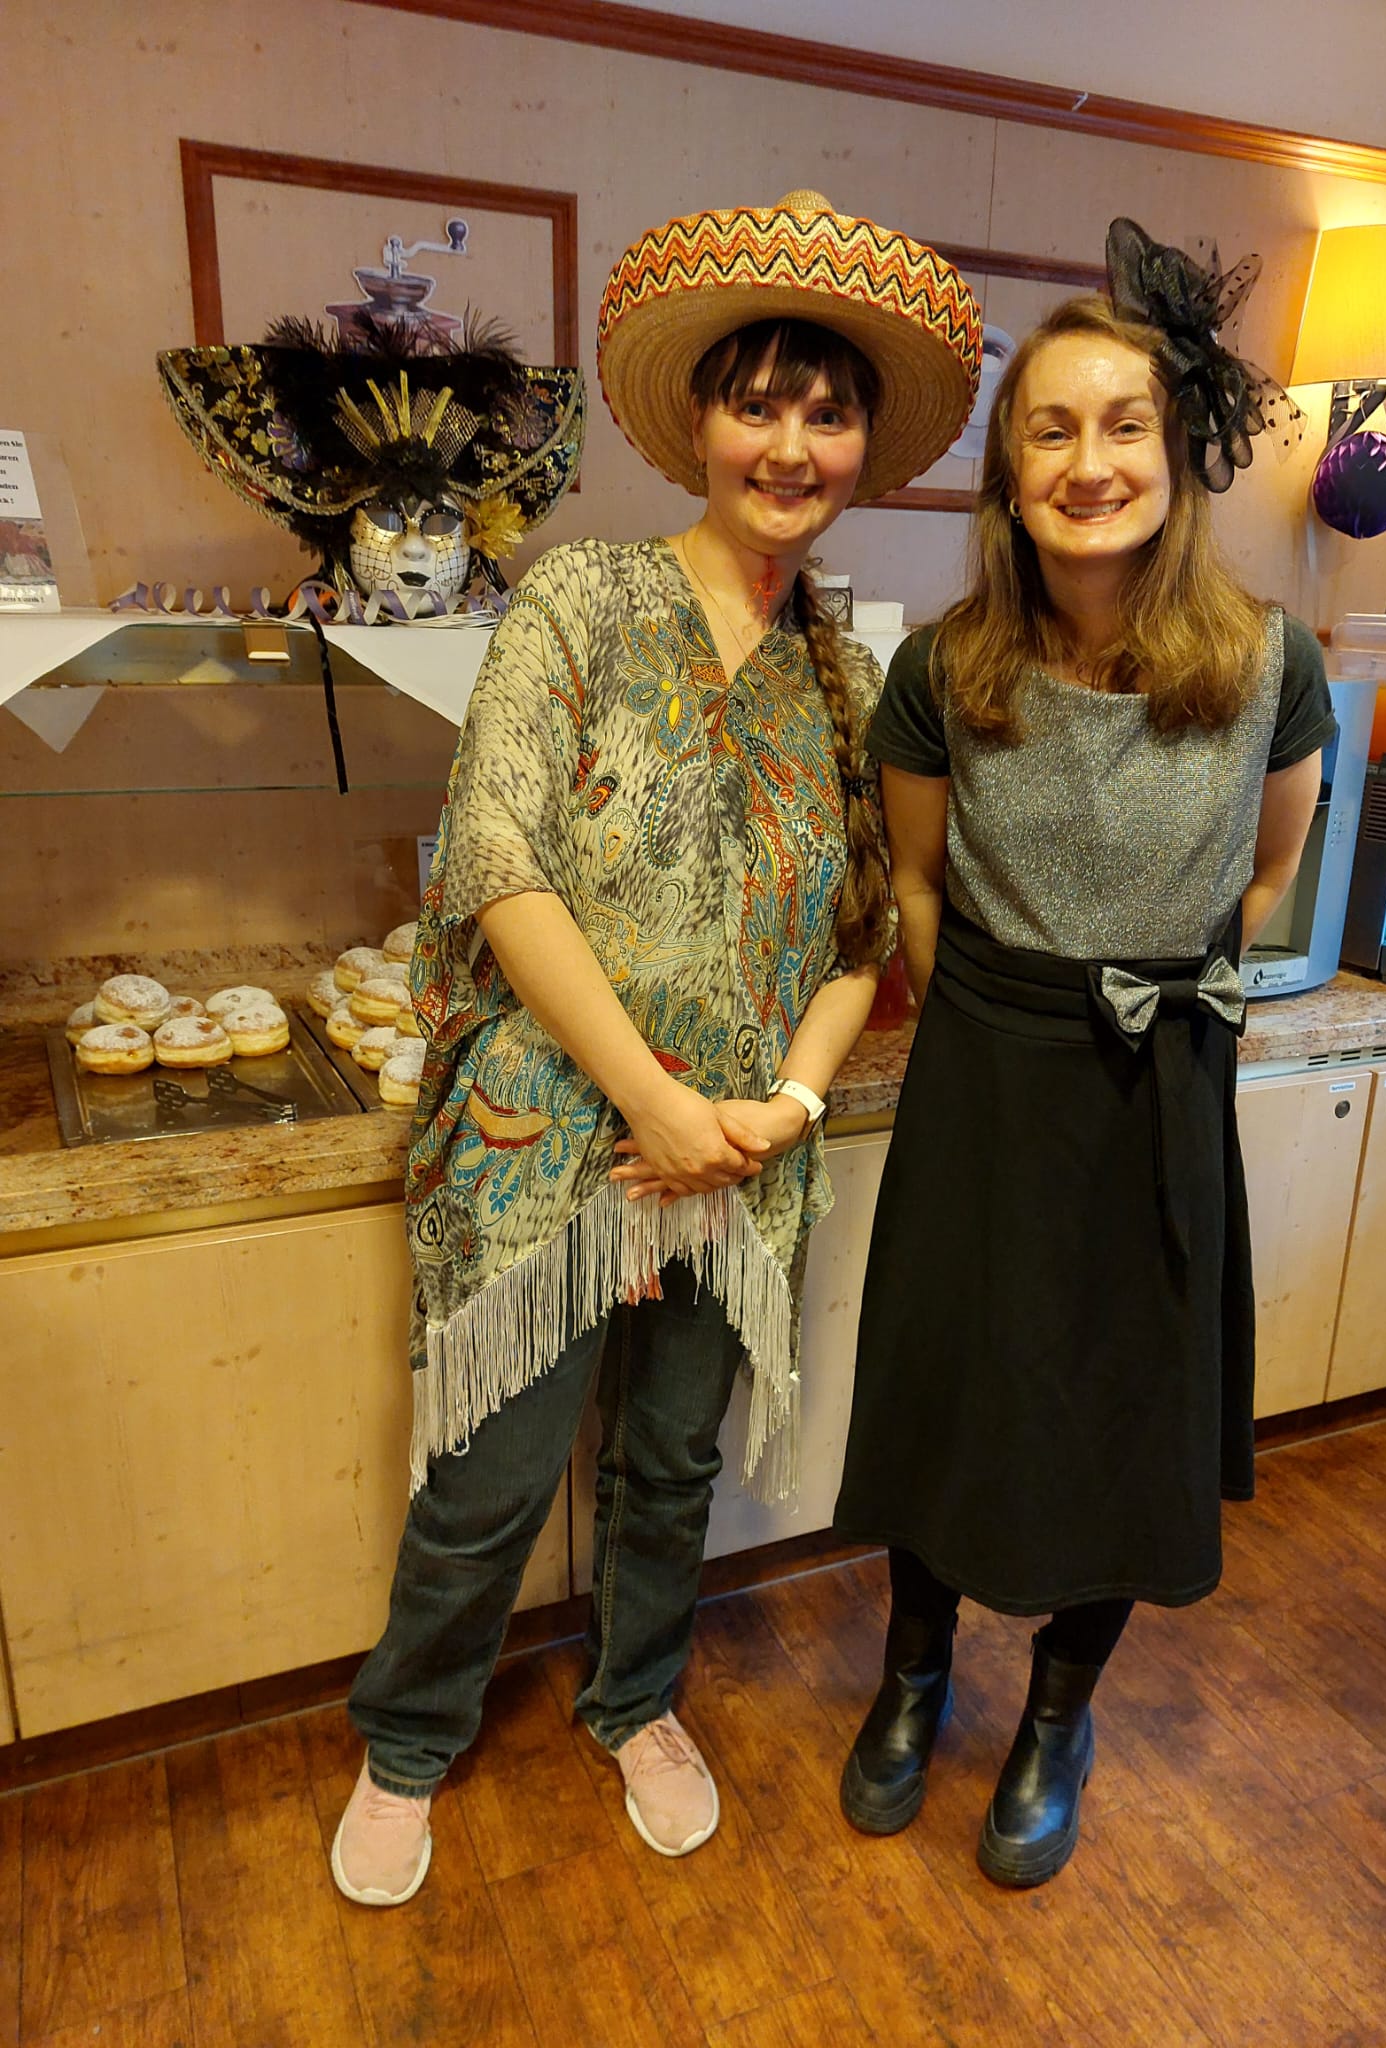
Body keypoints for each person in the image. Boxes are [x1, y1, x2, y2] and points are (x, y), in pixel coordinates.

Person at [330, 189, 981, 1906]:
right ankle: (409, 1737)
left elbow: (865, 935)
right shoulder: (581, 599)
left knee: (673, 1458)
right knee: (492, 1475)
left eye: (826, 414)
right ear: (699, 419)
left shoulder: (846, 678)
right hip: (553, 1127)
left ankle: (635, 1701)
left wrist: (778, 1107)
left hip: (738, 1154)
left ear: (862, 448)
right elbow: (498, 860)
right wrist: (655, 1104)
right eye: (758, 404)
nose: (791, 445)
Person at [832, 217, 1334, 1889]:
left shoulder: (1271, 663)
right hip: (986, 1072)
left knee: (1125, 1404)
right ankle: (914, 1675)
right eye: (1050, 430)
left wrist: (1155, 997)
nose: (1089, 463)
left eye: (1125, 425)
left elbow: (1269, 874)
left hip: (1161, 1084)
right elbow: (915, 887)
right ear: (1009, 470)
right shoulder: (943, 667)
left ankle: (1059, 1712)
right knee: (950, 1385)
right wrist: (1003, 1019)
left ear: (1177, 457)